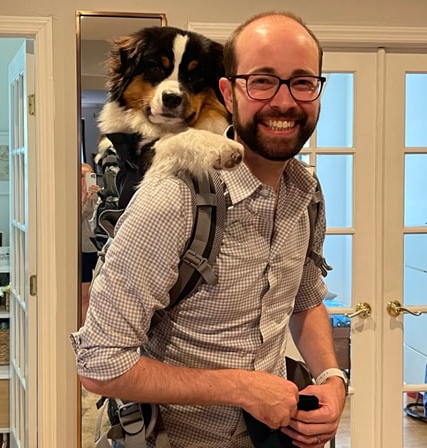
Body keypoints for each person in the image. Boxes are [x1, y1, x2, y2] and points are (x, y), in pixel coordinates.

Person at [71, 11, 346, 448]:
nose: (284, 101)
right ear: (228, 92)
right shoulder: (174, 196)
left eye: (302, 82)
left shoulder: (306, 190)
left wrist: (332, 379)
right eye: (261, 80)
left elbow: (305, 298)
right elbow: (99, 362)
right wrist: (240, 387)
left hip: (273, 436)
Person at [80, 162, 101, 324]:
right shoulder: (71, 198)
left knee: (98, 293)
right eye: (80, 176)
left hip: (98, 248)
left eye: (87, 176)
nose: (84, 180)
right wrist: (82, 198)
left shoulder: (100, 198)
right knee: (83, 294)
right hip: (82, 250)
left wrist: (96, 196)